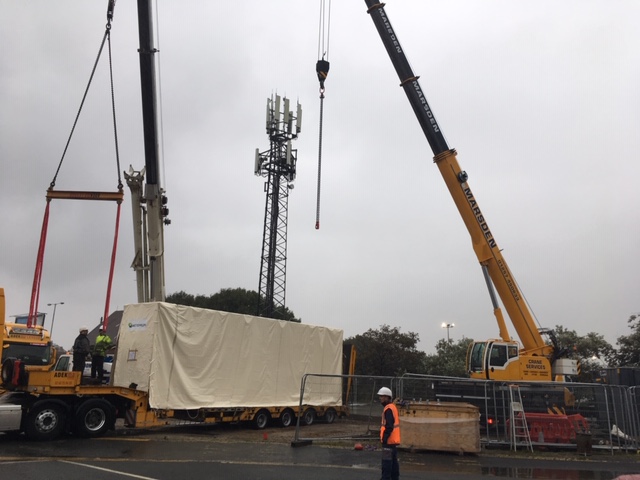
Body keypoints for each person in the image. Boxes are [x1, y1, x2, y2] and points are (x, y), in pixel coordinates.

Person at [378, 386, 400, 480]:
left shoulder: (388, 409)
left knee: (386, 465)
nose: (380, 398)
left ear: (387, 397)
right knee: (394, 465)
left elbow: (389, 426)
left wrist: (385, 439)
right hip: (393, 442)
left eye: (382, 396)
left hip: (388, 443)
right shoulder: (392, 407)